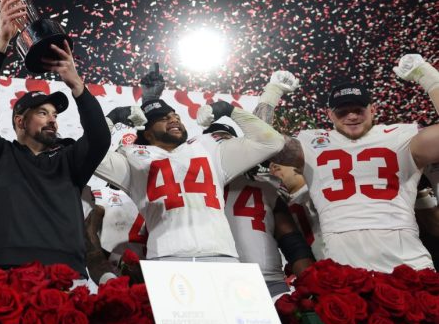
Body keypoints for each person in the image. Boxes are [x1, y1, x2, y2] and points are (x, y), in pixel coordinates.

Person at [0, 0, 110, 278]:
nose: (52, 119)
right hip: (10, 273)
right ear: (20, 120)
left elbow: (99, 138)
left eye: (55, 114)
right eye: (43, 113)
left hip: (67, 273)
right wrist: (1, 44)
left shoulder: (69, 161)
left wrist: (77, 84)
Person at [270, 54, 439, 272]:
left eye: (358, 109)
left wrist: (428, 77)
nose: (351, 116)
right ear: (330, 114)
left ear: (372, 110)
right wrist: (271, 93)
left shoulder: (401, 136)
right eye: (342, 111)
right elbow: (260, 146)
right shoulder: (310, 143)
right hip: (344, 266)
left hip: (408, 262)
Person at [97, 90, 285, 262]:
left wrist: (228, 110)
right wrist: (113, 117)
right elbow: (90, 156)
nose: (172, 119)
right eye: (162, 118)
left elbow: (271, 143)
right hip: (165, 256)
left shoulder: (208, 147)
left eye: (174, 115)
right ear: (147, 133)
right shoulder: (133, 156)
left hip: (221, 254)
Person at [206, 123, 314, 297]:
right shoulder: (191, 191)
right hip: (214, 281)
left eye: (227, 144)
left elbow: (292, 242)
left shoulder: (267, 188)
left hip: (268, 282)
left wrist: (313, 285)